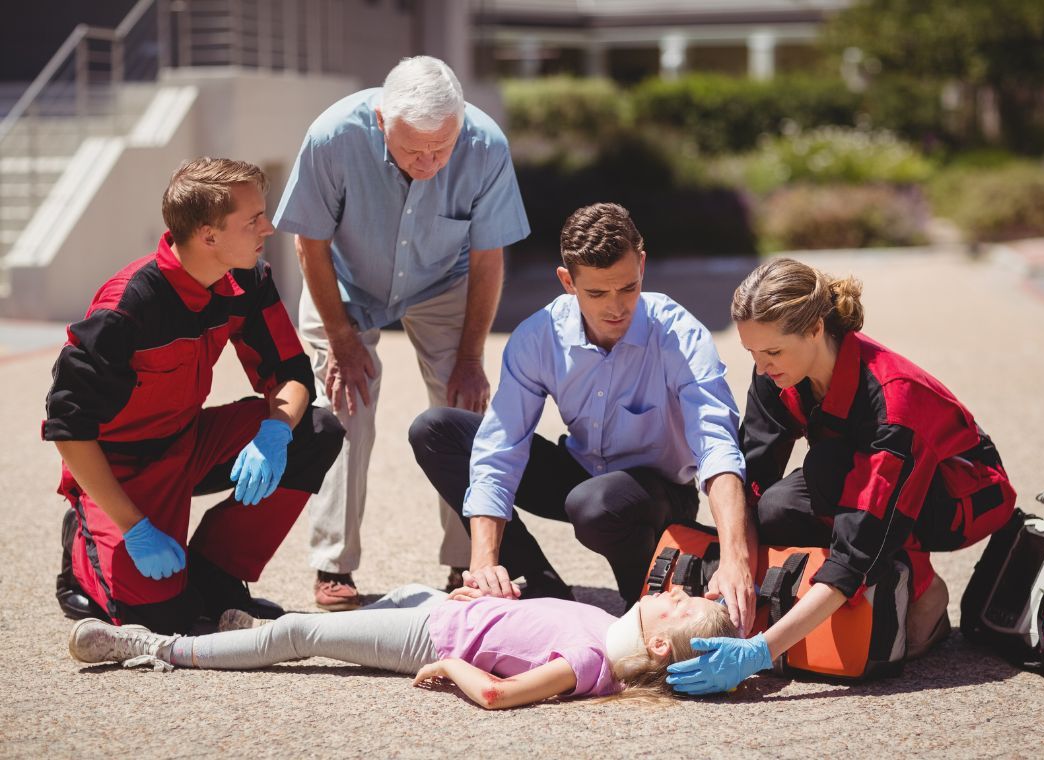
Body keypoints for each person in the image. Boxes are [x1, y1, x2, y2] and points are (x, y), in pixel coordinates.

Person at [666, 257, 1017, 695]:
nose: (761, 368)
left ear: (815, 329)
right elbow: (752, 480)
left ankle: (924, 593)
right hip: (859, 465)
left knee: (830, 474)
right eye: (751, 353)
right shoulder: (776, 372)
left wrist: (760, 650)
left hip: (961, 497)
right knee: (775, 507)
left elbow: (857, 548)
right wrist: (736, 566)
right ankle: (876, 590)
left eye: (772, 352)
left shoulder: (892, 402)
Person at [410, 203, 758, 630]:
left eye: (628, 288)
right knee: (436, 429)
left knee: (595, 506)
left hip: (657, 494)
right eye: (596, 293)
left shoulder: (679, 333)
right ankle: (532, 583)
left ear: (642, 266)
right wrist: (484, 562)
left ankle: (641, 591)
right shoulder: (538, 336)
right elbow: (500, 447)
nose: (616, 308)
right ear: (567, 282)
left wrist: (736, 558)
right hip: (582, 474)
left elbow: (717, 443)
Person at [46, 157, 345, 635]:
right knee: (167, 622)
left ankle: (215, 573)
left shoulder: (246, 279)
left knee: (315, 430)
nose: (267, 228)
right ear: (209, 235)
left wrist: (274, 431)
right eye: (253, 220)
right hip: (122, 470)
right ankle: (81, 546)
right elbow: (68, 427)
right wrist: (135, 528)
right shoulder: (127, 307)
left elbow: (291, 374)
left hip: (188, 441)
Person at [274, 55, 530, 611]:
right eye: (414, 149)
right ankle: (332, 564)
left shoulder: (485, 144)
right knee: (344, 406)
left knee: (464, 405)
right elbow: (308, 245)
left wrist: (470, 357)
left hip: (446, 278)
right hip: (343, 280)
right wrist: (341, 340)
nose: (430, 161)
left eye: (442, 147)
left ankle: (468, 562)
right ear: (381, 117)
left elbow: (488, 260)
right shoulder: (332, 136)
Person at [68, 584, 734, 708]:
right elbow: (530, 631)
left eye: (681, 606)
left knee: (303, 634)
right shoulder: (609, 626)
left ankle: (154, 646)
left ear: (655, 640)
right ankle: (248, 639)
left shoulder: (593, 662)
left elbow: (501, 693)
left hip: (431, 637)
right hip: (448, 612)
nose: (675, 592)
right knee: (303, 625)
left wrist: (453, 663)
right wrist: (497, 605)